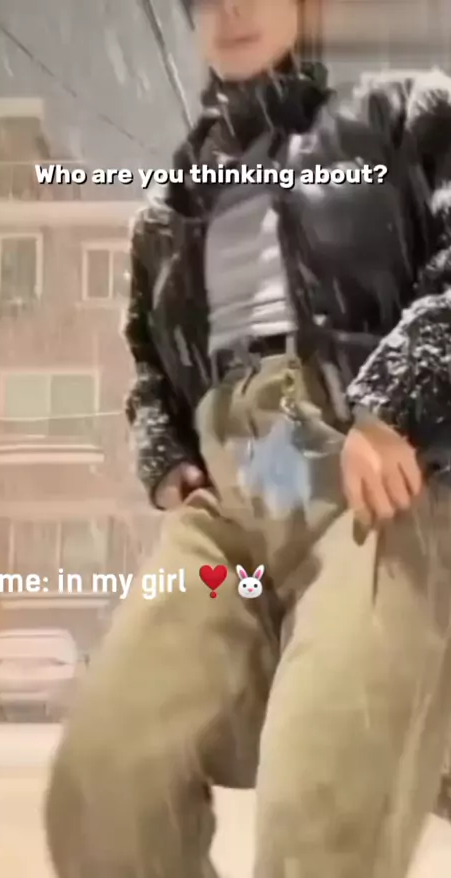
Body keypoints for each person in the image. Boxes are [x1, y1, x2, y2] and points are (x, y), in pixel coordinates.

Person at [45, 1, 451, 876]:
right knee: (106, 772)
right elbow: (151, 363)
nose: (230, 7)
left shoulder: (401, 116)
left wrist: (396, 404)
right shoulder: (169, 212)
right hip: (235, 507)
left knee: (323, 789)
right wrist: (167, 459)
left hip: (364, 481)